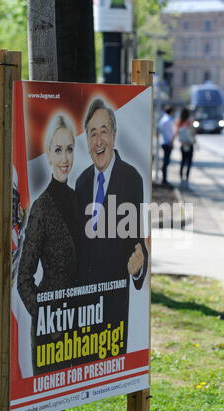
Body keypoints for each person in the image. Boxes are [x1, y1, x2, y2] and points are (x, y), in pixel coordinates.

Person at [75, 98, 148, 358]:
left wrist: (138, 269)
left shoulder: (131, 179)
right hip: (83, 307)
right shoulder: (82, 182)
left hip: (114, 306)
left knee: (110, 366)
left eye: (103, 131)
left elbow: (137, 241)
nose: (98, 140)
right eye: (92, 133)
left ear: (114, 135)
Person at [17, 113, 79, 375]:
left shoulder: (80, 200)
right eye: (58, 150)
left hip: (80, 318)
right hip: (50, 329)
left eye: (69, 149)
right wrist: (45, 317)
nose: (64, 158)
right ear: (49, 155)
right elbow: (23, 277)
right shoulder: (41, 207)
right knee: (48, 402)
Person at [176, 107, 196, 184]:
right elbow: (193, 133)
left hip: (183, 144)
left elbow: (177, 133)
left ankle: (181, 177)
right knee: (189, 162)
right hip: (190, 145)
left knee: (183, 161)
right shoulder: (190, 122)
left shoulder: (179, 122)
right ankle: (187, 178)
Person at [158, 105, 175, 185]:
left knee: (166, 161)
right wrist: (171, 141)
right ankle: (164, 179)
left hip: (164, 142)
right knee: (166, 161)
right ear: (171, 112)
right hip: (167, 143)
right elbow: (169, 133)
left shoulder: (164, 119)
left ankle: (164, 178)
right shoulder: (167, 120)